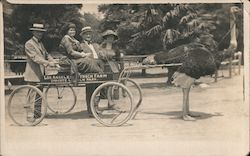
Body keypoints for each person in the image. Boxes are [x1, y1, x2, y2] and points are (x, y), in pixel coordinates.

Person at [24, 23, 56, 122]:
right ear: (33, 32)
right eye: (37, 32)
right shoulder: (29, 44)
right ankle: (29, 116)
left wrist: (53, 61)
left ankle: (37, 114)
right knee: (32, 95)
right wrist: (48, 63)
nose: (39, 34)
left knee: (39, 95)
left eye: (41, 32)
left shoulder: (40, 43)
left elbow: (46, 54)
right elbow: (35, 58)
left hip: (41, 73)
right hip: (33, 73)